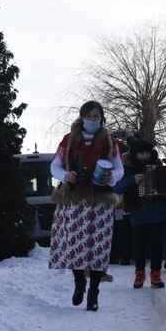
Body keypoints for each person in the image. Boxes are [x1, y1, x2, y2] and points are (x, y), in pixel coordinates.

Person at [48, 100, 124, 312]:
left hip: (100, 199)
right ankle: (79, 281)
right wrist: (66, 175)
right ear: (82, 117)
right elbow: (55, 165)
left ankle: (94, 291)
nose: (92, 120)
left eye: (96, 116)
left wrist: (112, 177)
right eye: (89, 116)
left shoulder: (110, 141)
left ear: (102, 118)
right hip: (75, 198)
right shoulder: (69, 139)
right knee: (75, 243)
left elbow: (119, 169)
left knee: (98, 245)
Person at [112, 138, 166, 290]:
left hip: (159, 212)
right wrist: (132, 179)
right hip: (138, 213)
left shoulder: (159, 167)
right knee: (139, 246)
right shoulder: (128, 169)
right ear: (135, 154)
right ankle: (139, 274)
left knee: (157, 246)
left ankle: (156, 275)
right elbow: (117, 188)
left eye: (147, 153)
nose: (144, 156)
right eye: (141, 153)